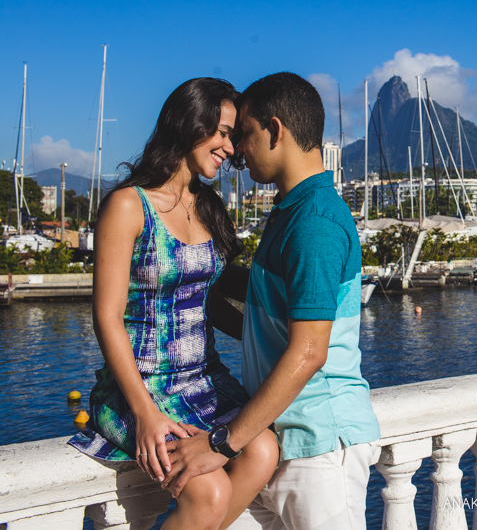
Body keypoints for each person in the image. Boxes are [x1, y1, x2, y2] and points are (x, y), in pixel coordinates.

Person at [163, 72, 380, 530]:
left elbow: (309, 351)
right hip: (280, 441)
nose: (238, 150)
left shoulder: (314, 222)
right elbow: (264, 314)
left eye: (244, 133)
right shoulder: (290, 213)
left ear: (275, 131)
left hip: (318, 446)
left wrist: (222, 444)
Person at [69, 78, 280, 530]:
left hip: (204, 380)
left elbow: (206, 302)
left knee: (263, 450)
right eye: (222, 132)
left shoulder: (208, 208)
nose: (230, 147)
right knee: (210, 492)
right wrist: (146, 413)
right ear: (190, 122)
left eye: (233, 136)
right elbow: (106, 317)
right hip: (138, 390)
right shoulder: (129, 206)